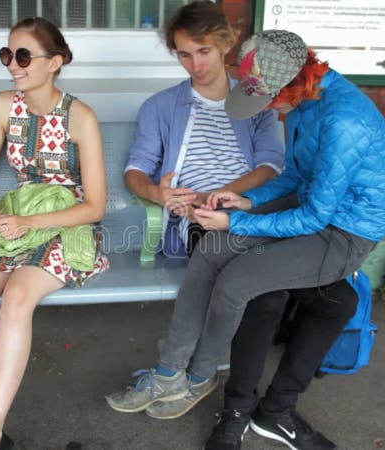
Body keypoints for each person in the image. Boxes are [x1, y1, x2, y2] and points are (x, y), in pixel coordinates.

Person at [185, 30, 385, 450]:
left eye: (267, 100)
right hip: (313, 210)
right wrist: (246, 201)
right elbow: (298, 175)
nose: (268, 110)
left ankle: (269, 410)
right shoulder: (305, 102)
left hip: (346, 231)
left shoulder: (342, 120)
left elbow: (316, 216)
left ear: (291, 84)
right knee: (307, 298)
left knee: (244, 281)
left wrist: (234, 224)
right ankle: (243, 411)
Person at [105, 1, 285, 420]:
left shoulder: (256, 100)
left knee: (238, 265)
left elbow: (270, 165)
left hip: (246, 207)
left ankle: (182, 369)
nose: (194, 63)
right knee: (225, 255)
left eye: (203, 51)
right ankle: (200, 367)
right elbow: (136, 171)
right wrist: (157, 193)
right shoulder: (161, 106)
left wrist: (220, 194)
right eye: (184, 54)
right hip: (194, 218)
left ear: (225, 43)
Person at [0, 17, 108, 450]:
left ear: (55, 62)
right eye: (7, 55)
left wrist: (32, 224)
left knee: (17, 299)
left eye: (23, 56)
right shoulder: (3, 105)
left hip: (64, 224)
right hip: (15, 218)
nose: (12, 65)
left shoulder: (81, 116)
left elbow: (94, 205)